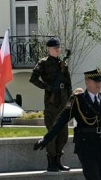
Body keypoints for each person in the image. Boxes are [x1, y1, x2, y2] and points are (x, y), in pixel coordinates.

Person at [29, 37, 72, 172]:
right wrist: (48, 87)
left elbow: (68, 83)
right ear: (49, 49)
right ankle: (51, 161)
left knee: (63, 133)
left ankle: (59, 159)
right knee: (52, 131)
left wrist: (70, 99)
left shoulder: (62, 64)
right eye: (55, 48)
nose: (58, 50)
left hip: (63, 101)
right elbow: (33, 79)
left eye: (59, 47)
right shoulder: (43, 63)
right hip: (51, 103)